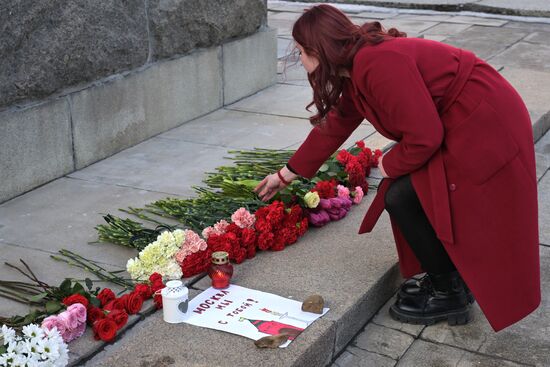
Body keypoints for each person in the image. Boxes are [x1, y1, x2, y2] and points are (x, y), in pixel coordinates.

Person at [254, 4, 540, 331]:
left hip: (482, 120)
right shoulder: (356, 66)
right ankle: (450, 281)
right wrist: (285, 174)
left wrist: (390, 162)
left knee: (403, 196)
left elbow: (425, 137)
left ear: (319, 52)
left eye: (301, 52)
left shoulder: (376, 64)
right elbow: (337, 124)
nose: (299, 60)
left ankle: (449, 294)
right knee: (406, 196)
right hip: (463, 118)